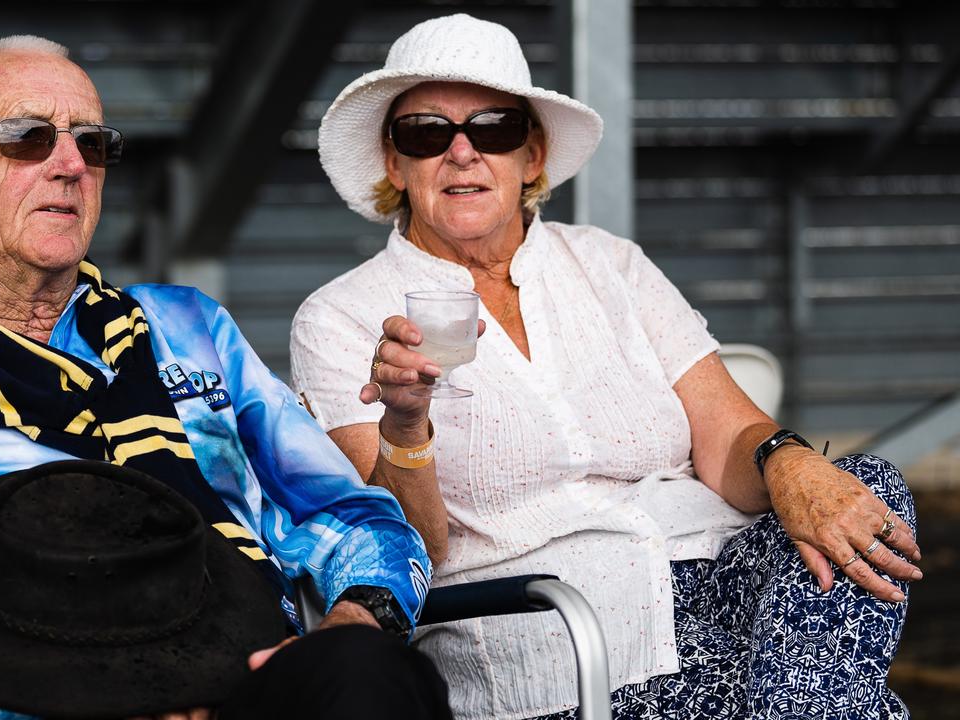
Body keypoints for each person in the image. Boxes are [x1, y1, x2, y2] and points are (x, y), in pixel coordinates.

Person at [0, 35, 450, 720]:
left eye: (91, 143)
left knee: (368, 671)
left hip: (242, 677)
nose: (70, 164)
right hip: (18, 694)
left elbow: (357, 520)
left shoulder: (189, 332)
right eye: (27, 137)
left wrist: (351, 619)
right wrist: (29, 658)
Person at [290, 13, 922, 720]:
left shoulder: (609, 262)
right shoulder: (340, 317)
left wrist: (787, 461)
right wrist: (406, 424)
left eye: (493, 128)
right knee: (852, 701)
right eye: (427, 133)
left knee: (867, 486)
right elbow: (402, 551)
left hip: (729, 579)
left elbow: (727, 437)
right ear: (393, 163)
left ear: (531, 157)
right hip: (560, 635)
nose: (462, 153)